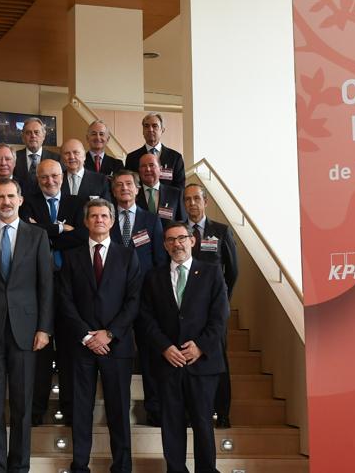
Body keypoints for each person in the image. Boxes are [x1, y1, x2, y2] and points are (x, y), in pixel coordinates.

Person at [0, 178, 53, 473]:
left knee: (22, 405)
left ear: (20, 199)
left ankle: (20, 466)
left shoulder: (38, 236)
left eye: (11, 196)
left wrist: (44, 328)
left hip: (27, 331)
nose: (5, 202)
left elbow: (46, 286)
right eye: (0, 197)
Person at [58, 199, 143, 473]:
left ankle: (122, 466)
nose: (99, 220)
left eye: (104, 216)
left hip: (116, 346)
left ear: (113, 220)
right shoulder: (72, 257)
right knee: (81, 411)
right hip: (81, 346)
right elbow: (65, 301)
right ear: (85, 222)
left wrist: (109, 334)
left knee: (118, 411)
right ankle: (80, 465)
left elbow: (134, 301)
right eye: (93, 216)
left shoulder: (128, 256)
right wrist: (86, 336)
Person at [138, 222, 230, 473]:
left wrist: (200, 346)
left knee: (202, 423)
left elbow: (220, 316)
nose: (176, 244)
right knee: (172, 425)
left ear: (192, 241)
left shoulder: (211, 273)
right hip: (167, 364)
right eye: (170, 240)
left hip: (201, 364)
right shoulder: (153, 277)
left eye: (181, 238)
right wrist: (164, 347)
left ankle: (206, 470)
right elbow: (145, 318)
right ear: (165, 245)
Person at [19, 158, 86, 425]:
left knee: (70, 352)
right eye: (44, 177)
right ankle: (36, 412)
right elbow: (27, 233)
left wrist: (44, 232)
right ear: (37, 178)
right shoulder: (28, 202)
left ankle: (71, 412)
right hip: (36, 286)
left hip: (71, 287)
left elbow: (82, 236)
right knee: (40, 352)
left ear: (63, 176)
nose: (50, 181)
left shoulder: (77, 203)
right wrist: (59, 228)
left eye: (54, 176)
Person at [108, 168, 166, 426]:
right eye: (119, 185)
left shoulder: (152, 221)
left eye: (129, 184)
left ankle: (154, 409)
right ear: (112, 190)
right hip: (112, 302)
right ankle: (115, 410)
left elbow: (160, 262)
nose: (124, 188)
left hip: (145, 301)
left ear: (138, 188)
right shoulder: (105, 218)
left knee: (150, 356)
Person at [183, 183, 239, 429]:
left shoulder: (221, 231)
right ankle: (190, 411)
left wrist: (222, 302)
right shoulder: (179, 231)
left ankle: (222, 412)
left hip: (213, 310)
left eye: (197, 199)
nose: (192, 203)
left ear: (206, 202)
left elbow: (233, 271)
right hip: (185, 309)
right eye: (187, 200)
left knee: (218, 360)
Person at [124, 112, 186, 189]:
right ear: (143, 130)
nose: (150, 129)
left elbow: (180, 187)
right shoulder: (132, 158)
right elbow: (130, 185)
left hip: (168, 200)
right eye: (146, 126)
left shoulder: (175, 157)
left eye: (154, 126)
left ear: (162, 130)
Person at [12, 117, 59, 195]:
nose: (33, 135)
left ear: (43, 136)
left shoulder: (56, 159)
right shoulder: (13, 158)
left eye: (36, 132)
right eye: (28, 133)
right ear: (23, 137)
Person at [136, 154, 185, 224]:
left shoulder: (176, 194)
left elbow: (182, 221)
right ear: (139, 170)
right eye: (143, 166)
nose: (148, 169)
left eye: (151, 165)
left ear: (160, 169)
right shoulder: (133, 194)